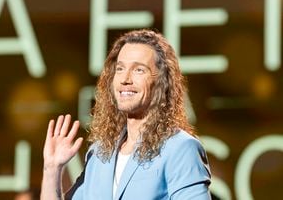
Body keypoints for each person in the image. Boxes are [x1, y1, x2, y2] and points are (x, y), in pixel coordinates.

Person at [40, 29, 211, 200]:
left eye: (139, 70)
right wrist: (52, 169)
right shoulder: (100, 154)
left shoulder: (181, 148)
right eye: (120, 69)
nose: (125, 79)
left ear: (162, 81)